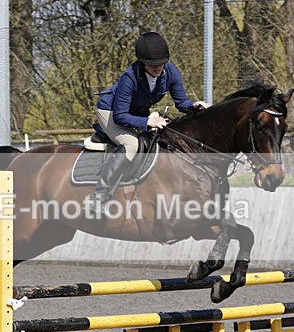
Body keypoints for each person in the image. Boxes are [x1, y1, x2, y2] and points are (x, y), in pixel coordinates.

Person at [86, 31, 210, 214]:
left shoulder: (171, 71)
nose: (158, 67)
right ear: (143, 62)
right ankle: (98, 196)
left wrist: (194, 105)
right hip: (110, 111)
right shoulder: (130, 77)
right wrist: (147, 122)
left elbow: (181, 102)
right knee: (131, 144)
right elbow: (120, 116)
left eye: (162, 63)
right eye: (153, 65)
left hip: (137, 112)